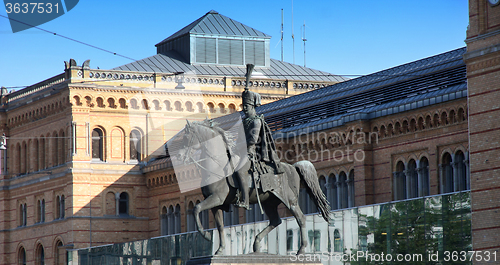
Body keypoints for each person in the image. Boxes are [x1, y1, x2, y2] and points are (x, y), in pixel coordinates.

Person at [236, 65, 283, 210]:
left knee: (238, 170)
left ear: (253, 106)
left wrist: (242, 148)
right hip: (242, 151)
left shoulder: (256, 121)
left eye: (247, 106)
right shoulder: (244, 121)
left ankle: (245, 200)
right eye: (243, 105)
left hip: (252, 153)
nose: (244, 108)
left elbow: (252, 141)